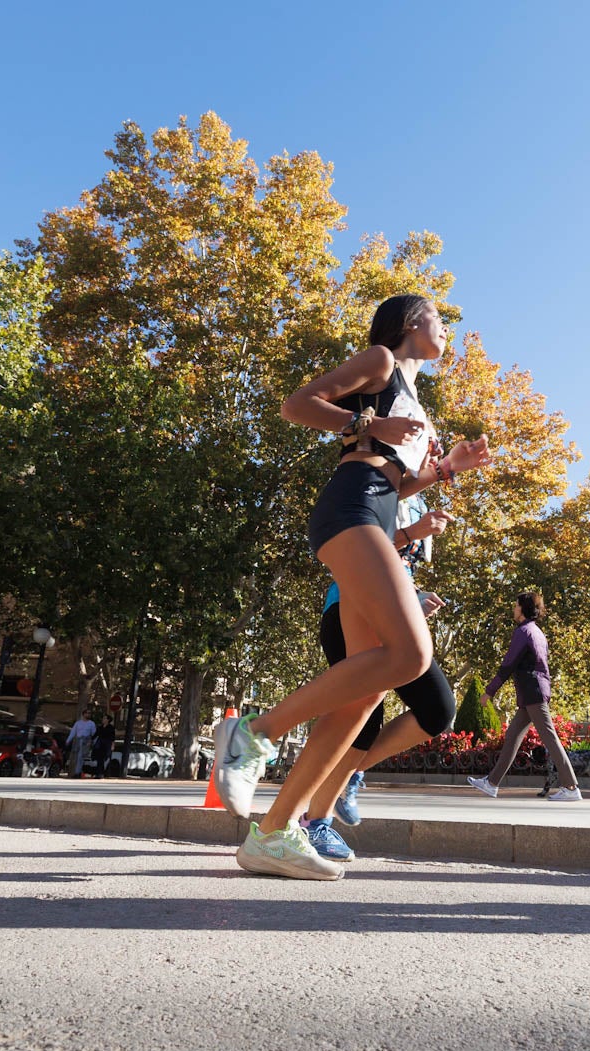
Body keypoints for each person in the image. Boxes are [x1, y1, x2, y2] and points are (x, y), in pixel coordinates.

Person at [213, 293, 490, 879]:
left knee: (365, 694)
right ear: (411, 322)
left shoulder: (415, 397)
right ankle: (253, 734)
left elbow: (396, 481)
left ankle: (274, 833)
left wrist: (444, 470)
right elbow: (296, 405)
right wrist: (365, 422)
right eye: (440, 318)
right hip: (351, 508)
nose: (447, 329)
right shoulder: (381, 361)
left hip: (378, 511)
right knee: (412, 656)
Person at [298, 494, 459, 861]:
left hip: (395, 612)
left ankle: (347, 776)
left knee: (437, 711)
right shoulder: (374, 485)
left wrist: (414, 598)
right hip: (350, 608)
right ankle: (314, 821)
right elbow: (356, 551)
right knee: (363, 719)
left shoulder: (418, 500)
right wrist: (413, 531)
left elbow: (396, 568)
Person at [468, 592, 580, 801]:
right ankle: (491, 784)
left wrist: (489, 691)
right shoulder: (537, 632)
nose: (513, 609)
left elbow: (508, 665)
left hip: (532, 692)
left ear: (523, 609)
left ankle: (571, 787)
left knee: (550, 738)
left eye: (516, 605)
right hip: (534, 691)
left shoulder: (523, 632)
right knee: (512, 736)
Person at [67, 709, 97, 778]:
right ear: (83, 714)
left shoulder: (91, 723)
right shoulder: (78, 723)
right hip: (78, 741)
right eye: (87, 713)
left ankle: (78, 772)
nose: (88, 714)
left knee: (81, 757)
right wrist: (68, 740)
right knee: (76, 757)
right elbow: (73, 732)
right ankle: (77, 772)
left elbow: (94, 734)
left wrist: (94, 743)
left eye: (89, 713)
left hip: (86, 741)